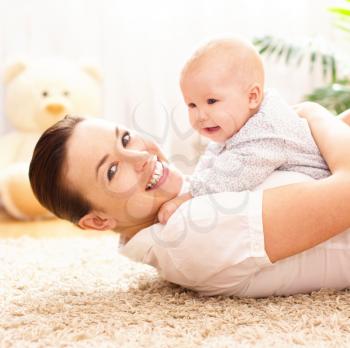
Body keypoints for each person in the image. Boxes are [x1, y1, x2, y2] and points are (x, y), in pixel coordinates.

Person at [29, 102, 350, 297]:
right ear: (99, 220)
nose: (139, 155)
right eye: (112, 170)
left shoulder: (196, 195)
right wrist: (314, 112)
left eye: (125, 138)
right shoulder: (192, 230)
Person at [158, 38, 331, 224]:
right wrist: (188, 185)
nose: (200, 115)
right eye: (192, 104)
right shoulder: (233, 127)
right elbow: (212, 160)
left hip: (328, 199)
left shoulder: (268, 130)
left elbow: (232, 174)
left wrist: (188, 197)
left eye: (211, 101)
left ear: (252, 97)